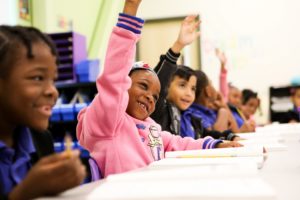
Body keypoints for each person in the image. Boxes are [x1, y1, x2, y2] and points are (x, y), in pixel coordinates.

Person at [76, 0, 241, 179]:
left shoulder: (151, 127)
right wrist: (130, 9)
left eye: (155, 97)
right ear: (124, 87)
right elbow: (114, 79)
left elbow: (178, 144)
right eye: (143, 86)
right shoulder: (109, 122)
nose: (150, 97)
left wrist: (215, 145)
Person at [0, 25, 86, 200]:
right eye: (37, 78)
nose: (53, 91)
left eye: (53, 80)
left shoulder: (41, 139)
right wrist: (24, 193)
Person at [151, 15, 239, 141]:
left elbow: (207, 135)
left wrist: (230, 137)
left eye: (193, 88)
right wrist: (178, 45)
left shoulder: (190, 118)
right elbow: (159, 83)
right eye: (182, 85)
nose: (189, 93)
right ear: (166, 87)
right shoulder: (160, 111)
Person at [215, 48, 255, 131]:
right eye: (235, 96)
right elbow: (223, 83)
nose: (238, 100)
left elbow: (246, 127)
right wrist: (223, 65)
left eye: (240, 98)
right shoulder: (226, 105)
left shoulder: (238, 111)